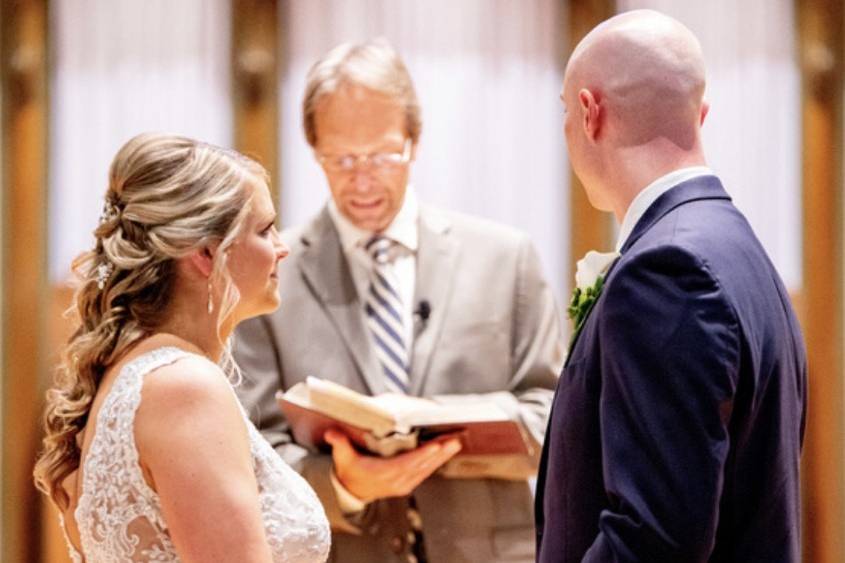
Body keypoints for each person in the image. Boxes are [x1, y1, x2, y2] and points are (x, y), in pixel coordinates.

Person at [234, 39, 564, 562]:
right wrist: (345, 482)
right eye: (340, 159)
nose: (362, 178)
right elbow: (252, 451)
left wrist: (431, 425)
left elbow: (554, 422)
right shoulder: (270, 270)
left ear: (414, 140)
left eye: (384, 155)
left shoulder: (506, 260)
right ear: (313, 149)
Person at [535, 10, 807, 563]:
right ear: (699, 114)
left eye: (565, 110)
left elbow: (653, 539)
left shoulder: (668, 270)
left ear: (589, 113)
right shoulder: (738, 248)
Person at [33, 133, 330, 562]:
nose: (283, 249)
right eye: (265, 230)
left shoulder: (137, 370)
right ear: (206, 253)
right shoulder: (184, 388)